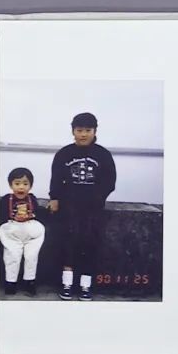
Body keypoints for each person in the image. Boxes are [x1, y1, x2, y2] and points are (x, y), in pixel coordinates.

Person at [48, 112, 116, 300]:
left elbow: (110, 182)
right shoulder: (64, 154)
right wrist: (54, 198)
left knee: (90, 243)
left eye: (88, 130)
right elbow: (56, 179)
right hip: (69, 207)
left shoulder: (103, 155)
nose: (83, 134)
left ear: (95, 131)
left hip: (93, 209)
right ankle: (67, 283)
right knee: (68, 243)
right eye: (79, 130)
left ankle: (86, 285)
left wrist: (97, 197)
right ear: (73, 131)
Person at [0, 167, 45, 297]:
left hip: (30, 229)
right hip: (12, 230)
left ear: (30, 186)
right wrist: (12, 218)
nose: (21, 187)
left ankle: (29, 282)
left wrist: (30, 215)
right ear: (10, 185)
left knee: (31, 256)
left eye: (25, 184)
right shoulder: (6, 199)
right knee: (12, 256)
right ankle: (10, 282)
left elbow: (37, 212)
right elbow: (1, 215)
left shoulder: (32, 199)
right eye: (17, 183)